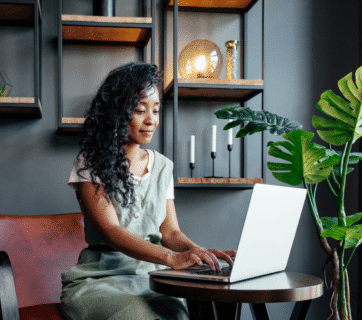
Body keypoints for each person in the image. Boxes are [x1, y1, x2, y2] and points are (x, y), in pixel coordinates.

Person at [61, 62, 236, 320]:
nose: (151, 120)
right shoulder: (90, 162)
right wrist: (172, 258)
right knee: (139, 316)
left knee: (181, 313)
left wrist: (201, 253)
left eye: (156, 110)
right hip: (100, 279)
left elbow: (170, 232)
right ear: (116, 112)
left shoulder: (163, 166)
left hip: (154, 278)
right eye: (140, 110)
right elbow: (110, 232)